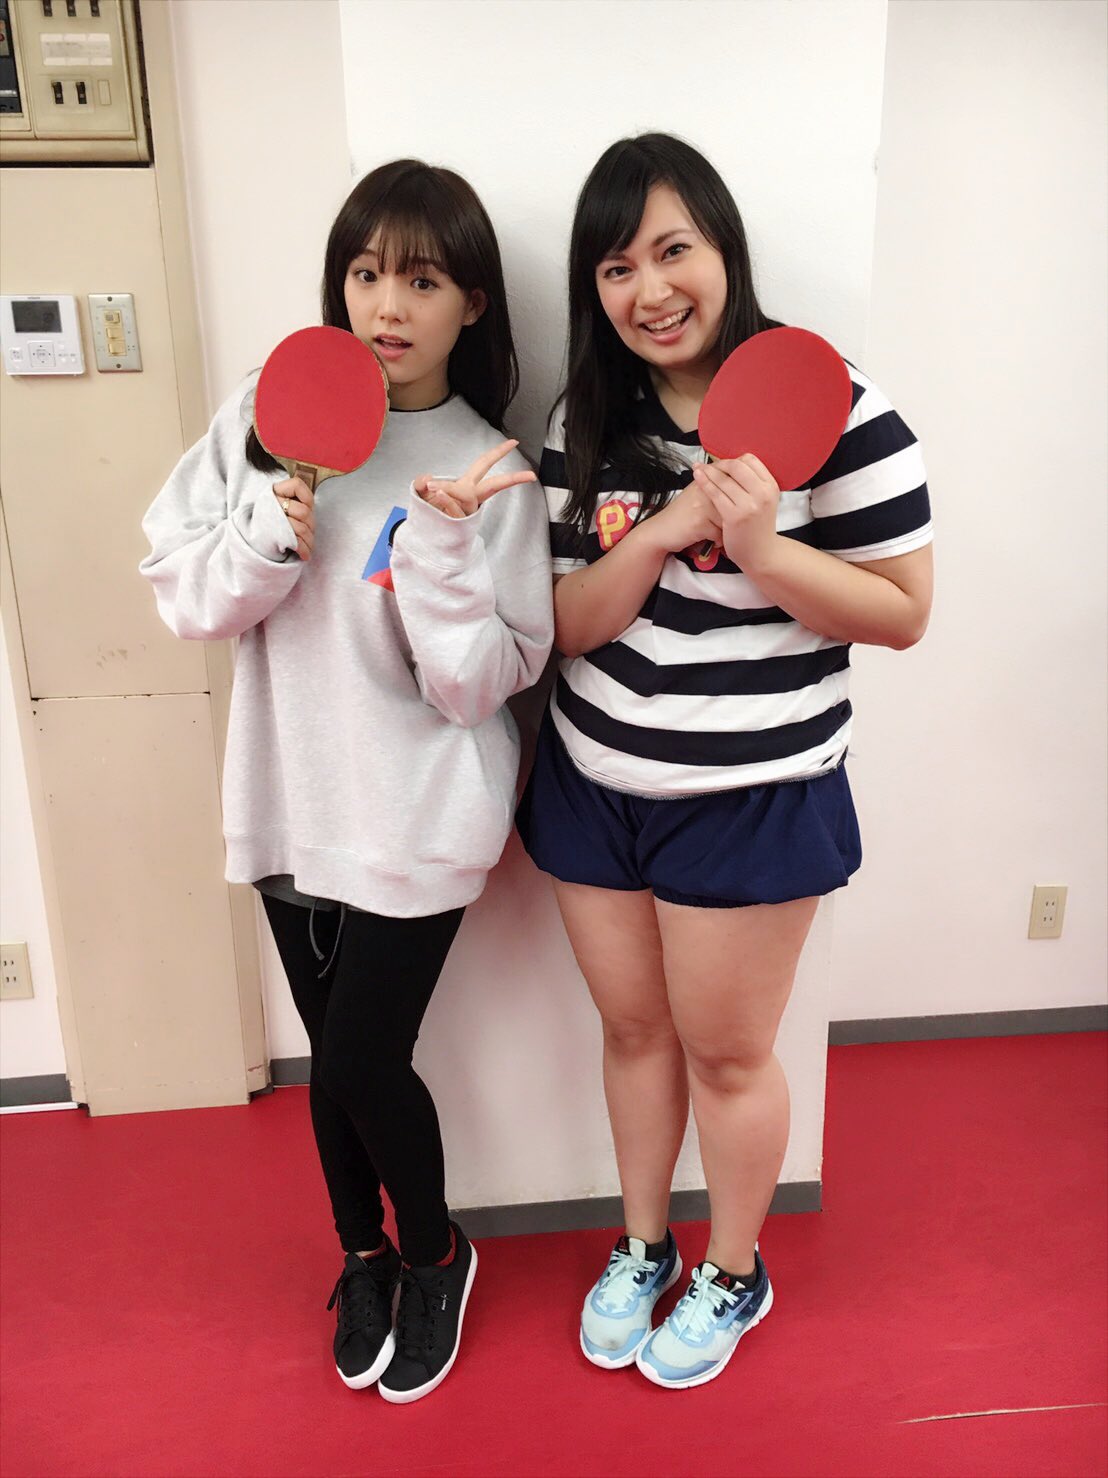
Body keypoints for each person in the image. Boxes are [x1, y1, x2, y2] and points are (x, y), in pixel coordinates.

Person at [517, 133, 932, 1390]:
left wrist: (759, 546)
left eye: (672, 251)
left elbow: (902, 611)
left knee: (728, 1056)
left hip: (749, 795)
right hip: (594, 779)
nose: (648, 290)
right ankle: (644, 1244)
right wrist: (661, 535)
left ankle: (733, 1266)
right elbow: (567, 623)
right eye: (615, 267)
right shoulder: (585, 415)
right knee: (631, 1029)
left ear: (723, 248)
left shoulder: (836, 404)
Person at [140, 160, 553, 1404]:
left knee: (361, 1061)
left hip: (423, 809)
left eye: (421, 280)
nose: (387, 304)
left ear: (472, 302)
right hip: (290, 793)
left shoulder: (489, 467)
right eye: (366, 273)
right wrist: (270, 527)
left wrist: (440, 548)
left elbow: (483, 684)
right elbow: (184, 595)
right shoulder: (267, 414)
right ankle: (362, 1254)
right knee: (333, 1059)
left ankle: (434, 1253)